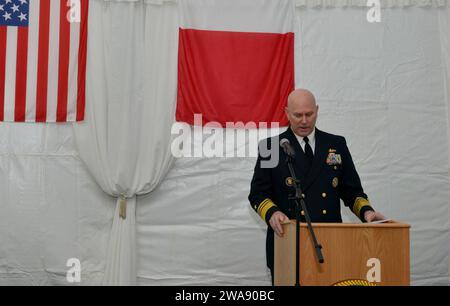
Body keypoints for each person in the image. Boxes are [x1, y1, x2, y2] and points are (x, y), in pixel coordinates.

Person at [248, 89, 385, 284]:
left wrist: (366, 212)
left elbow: (352, 191)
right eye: (298, 115)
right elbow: (258, 194)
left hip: (330, 243)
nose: (304, 121)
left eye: (309, 114)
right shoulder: (271, 148)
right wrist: (272, 213)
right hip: (288, 244)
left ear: (317, 111)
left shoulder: (336, 144)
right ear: (286, 113)